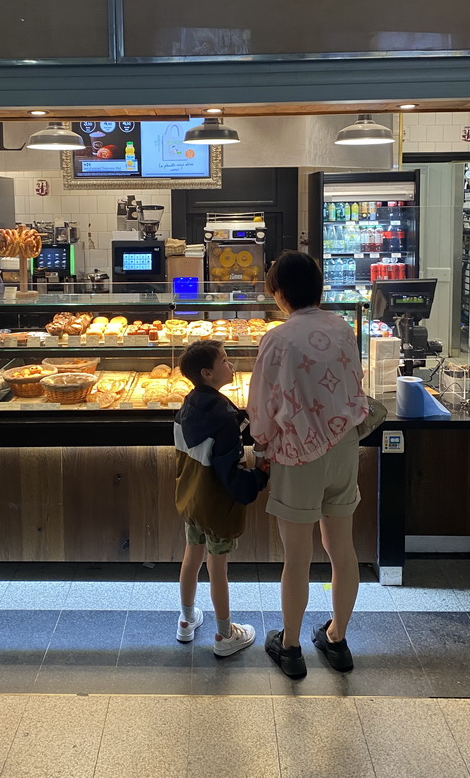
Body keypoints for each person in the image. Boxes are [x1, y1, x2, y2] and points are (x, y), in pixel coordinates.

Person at [247, 251, 369, 678]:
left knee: (297, 556)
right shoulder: (343, 327)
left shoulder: (278, 339)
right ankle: (337, 638)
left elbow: (261, 407)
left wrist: (260, 446)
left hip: (299, 453)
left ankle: (292, 645)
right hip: (344, 447)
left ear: (280, 293)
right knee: (342, 550)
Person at [174, 339, 269, 656]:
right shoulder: (225, 419)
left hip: (192, 499)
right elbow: (232, 475)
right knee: (218, 569)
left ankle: (187, 621)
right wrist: (260, 476)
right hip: (216, 505)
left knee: (191, 558)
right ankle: (225, 634)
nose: (231, 366)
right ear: (207, 373)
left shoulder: (187, 406)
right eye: (225, 361)